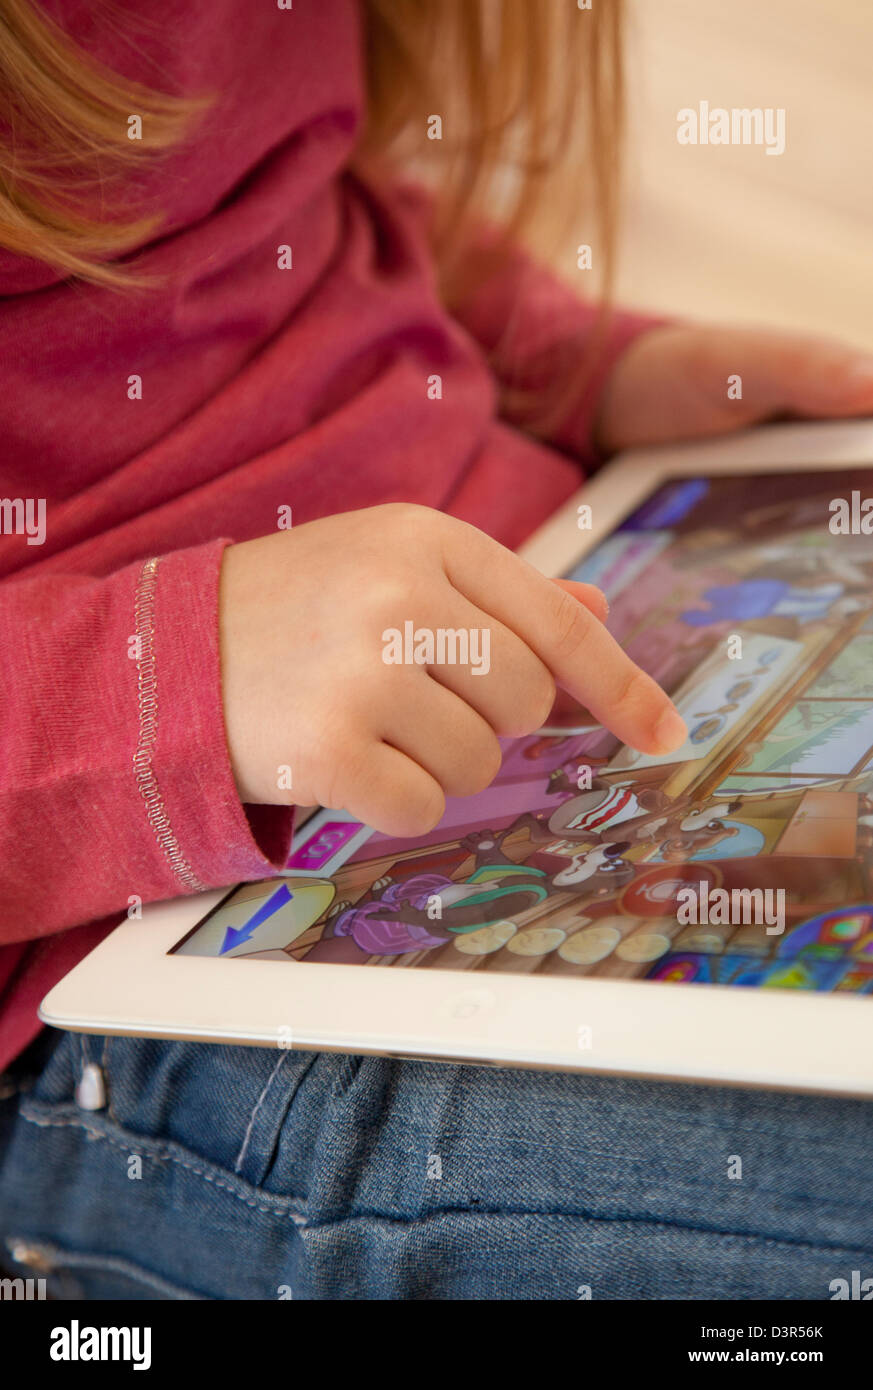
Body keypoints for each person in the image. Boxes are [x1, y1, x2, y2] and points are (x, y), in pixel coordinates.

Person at [1, 0, 872, 1300]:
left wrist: (552, 360)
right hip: (118, 971)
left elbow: (271, 199)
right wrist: (161, 682)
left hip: (563, 605)